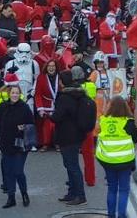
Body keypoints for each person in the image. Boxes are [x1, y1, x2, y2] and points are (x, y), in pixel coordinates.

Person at [52, 69, 96, 206]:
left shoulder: (65, 98)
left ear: (63, 82)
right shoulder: (78, 95)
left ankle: (80, 195)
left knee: (72, 166)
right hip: (77, 135)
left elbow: (57, 117)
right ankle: (72, 193)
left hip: (67, 135)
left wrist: (49, 115)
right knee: (71, 165)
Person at [95, 97, 137, 218]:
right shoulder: (128, 122)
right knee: (123, 189)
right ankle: (121, 215)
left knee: (112, 189)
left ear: (110, 107)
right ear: (125, 107)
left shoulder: (103, 121)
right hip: (125, 161)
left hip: (107, 161)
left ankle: (111, 215)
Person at [0, 85, 34, 208]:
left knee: (18, 171)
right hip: (6, 143)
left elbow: (31, 125)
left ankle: (24, 193)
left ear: (20, 94)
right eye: (13, 93)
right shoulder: (3, 106)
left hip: (20, 144)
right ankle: (11, 197)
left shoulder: (25, 108)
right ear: (9, 94)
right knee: (8, 172)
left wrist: (23, 127)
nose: (15, 95)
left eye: (17, 93)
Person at [33, 59, 61, 150]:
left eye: (53, 66)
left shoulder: (60, 77)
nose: (51, 68)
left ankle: (57, 143)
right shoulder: (41, 78)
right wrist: (40, 108)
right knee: (46, 125)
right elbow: (38, 94)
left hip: (58, 104)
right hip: (46, 104)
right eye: (49, 66)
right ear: (46, 67)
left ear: (56, 67)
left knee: (58, 124)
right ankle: (45, 143)